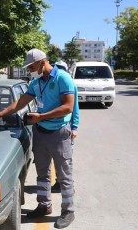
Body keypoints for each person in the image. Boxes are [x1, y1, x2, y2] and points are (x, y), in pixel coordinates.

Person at [0, 49, 77, 229]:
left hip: (59, 133)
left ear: (42, 62)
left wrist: (41, 117)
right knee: (42, 174)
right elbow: (20, 102)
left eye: (31, 66)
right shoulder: (36, 82)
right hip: (41, 133)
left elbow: (68, 107)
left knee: (64, 174)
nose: (30, 70)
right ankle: (44, 206)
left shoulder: (63, 78)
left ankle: (68, 211)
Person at [51, 60, 80, 193]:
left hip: (65, 126)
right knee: (58, 159)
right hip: (54, 127)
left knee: (65, 159)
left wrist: (74, 127)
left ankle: (68, 185)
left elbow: (74, 108)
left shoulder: (69, 83)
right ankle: (59, 182)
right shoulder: (53, 83)